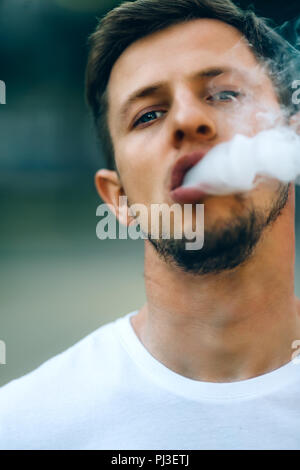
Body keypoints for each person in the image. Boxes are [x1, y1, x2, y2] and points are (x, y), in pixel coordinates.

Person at [1, 0, 300, 450]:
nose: (187, 119)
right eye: (148, 115)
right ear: (119, 200)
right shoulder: (25, 427)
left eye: (224, 94)